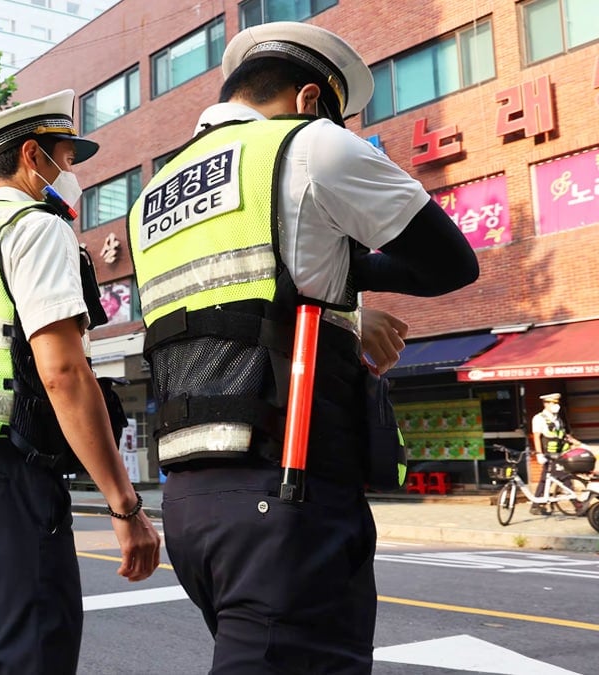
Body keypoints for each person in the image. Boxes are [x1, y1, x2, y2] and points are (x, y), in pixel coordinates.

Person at [126, 22, 479, 673]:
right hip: (287, 497)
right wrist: (357, 274)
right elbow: (450, 263)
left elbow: (254, 291)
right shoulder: (311, 147)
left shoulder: (151, 197)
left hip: (190, 505)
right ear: (311, 99)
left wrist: (347, 297)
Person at [0, 89, 161, 674]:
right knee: (37, 659)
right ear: (34, 156)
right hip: (12, 476)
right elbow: (62, 371)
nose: (73, 175)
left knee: (12, 655)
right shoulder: (36, 227)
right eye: (67, 159)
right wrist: (125, 505)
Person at [530, 392, 579, 515]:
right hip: (548, 455)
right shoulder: (539, 418)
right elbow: (536, 437)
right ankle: (577, 505)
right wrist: (539, 454)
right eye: (553, 403)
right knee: (563, 477)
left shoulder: (557, 418)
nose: (556, 405)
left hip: (560, 453)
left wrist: (574, 442)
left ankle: (535, 505)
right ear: (546, 403)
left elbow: (562, 435)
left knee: (546, 479)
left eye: (557, 403)